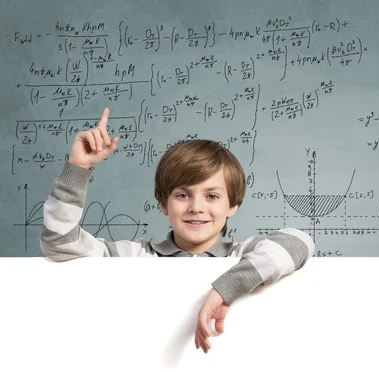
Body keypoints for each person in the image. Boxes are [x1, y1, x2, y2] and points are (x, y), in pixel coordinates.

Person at [40, 107, 315, 353]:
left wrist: (226, 289)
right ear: (163, 203)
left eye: (212, 196)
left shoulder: (242, 255)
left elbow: (299, 242)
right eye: (183, 195)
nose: (197, 207)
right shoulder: (132, 256)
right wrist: (78, 167)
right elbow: (59, 240)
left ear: (233, 205)